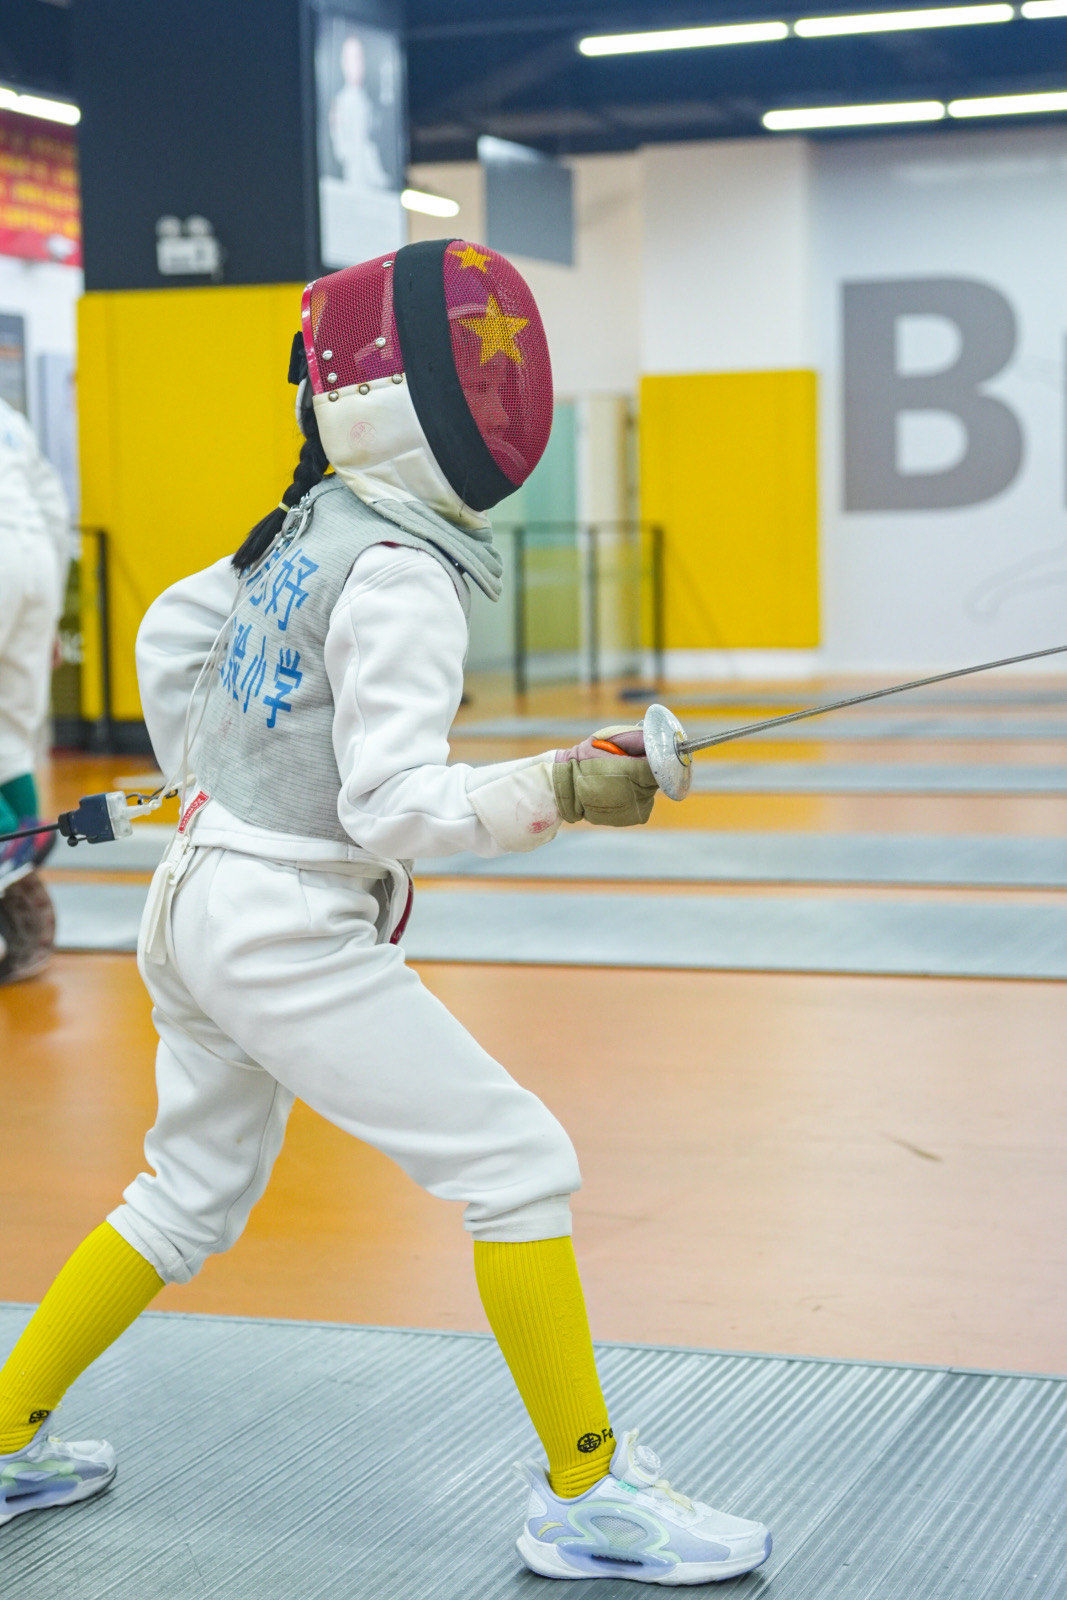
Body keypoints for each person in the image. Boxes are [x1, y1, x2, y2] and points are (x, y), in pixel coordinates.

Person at [0, 241, 771, 1584]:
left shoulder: (307, 521)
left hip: (194, 901)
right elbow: (394, 808)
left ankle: (5, 1436)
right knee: (516, 1163)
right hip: (276, 924)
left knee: (184, 1193)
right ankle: (586, 1495)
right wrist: (564, 790)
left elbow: (180, 634)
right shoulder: (403, 568)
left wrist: (213, 785)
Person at [0, 393, 69, 982]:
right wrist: (45, 617)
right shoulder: (9, 416)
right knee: (10, 736)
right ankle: (23, 892)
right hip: (33, 564)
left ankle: (13, 880)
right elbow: (53, 508)